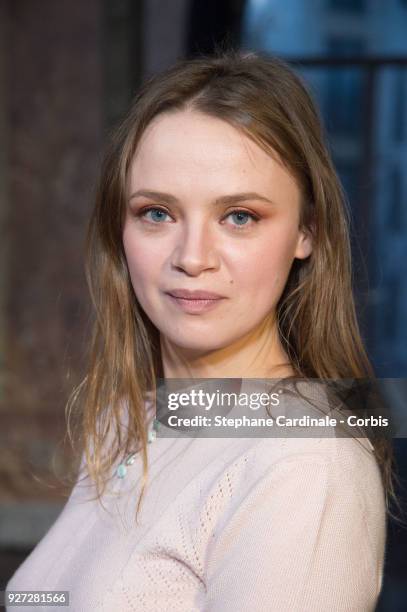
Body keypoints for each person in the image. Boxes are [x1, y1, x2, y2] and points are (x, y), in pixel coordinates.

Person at [6, 49, 394, 611]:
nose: (192, 257)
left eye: (240, 216)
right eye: (157, 213)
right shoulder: (131, 419)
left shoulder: (306, 463)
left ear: (305, 232)